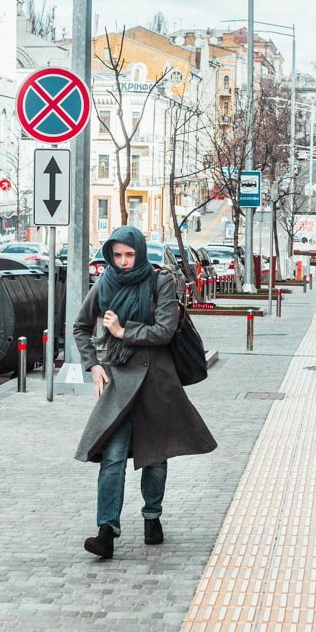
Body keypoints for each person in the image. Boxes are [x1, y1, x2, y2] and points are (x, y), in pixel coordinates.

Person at [73, 225, 217, 560]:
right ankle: (106, 531)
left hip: (156, 381)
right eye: (117, 255)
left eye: (129, 254)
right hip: (119, 381)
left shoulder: (160, 281)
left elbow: (164, 330)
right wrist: (93, 365)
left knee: (155, 456)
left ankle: (152, 516)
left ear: (139, 253)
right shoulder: (106, 282)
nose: (123, 261)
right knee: (112, 457)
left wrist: (122, 331)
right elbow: (80, 326)